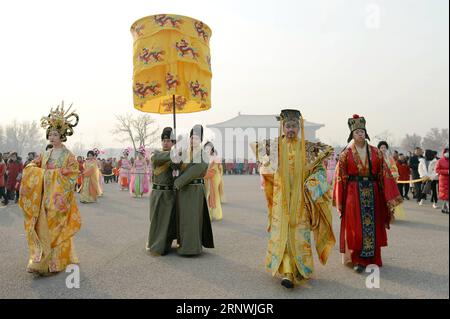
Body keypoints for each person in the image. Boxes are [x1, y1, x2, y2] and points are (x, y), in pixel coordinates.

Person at [263, 109, 335, 289]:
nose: (291, 129)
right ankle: (287, 271)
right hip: (282, 199)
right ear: (282, 127)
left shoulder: (309, 149)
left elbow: (319, 171)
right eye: (287, 126)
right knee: (284, 235)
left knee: (298, 234)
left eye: (294, 126)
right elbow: (266, 171)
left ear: (300, 127)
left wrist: (311, 183)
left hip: (301, 200)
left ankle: (299, 269)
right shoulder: (274, 148)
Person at [333, 114, 403, 273]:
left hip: (372, 192)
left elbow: (384, 173)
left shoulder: (376, 152)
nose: (360, 134)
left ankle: (373, 258)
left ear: (366, 133)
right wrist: (340, 200)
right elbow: (340, 177)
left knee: (373, 224)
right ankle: (358, 259)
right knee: (356, 227)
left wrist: (389, 195)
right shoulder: (345, 154)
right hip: (353, 192)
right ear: (352, 134)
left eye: (362, 131)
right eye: (357, 132)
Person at [18, 102, 81, 275]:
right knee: (41, 227)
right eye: (50, 134)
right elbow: (32, 165)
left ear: (62, 136)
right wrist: (33, 170)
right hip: (44, 196)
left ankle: (56, 261)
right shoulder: (45, 154)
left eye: (55, 134)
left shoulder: (69, 156)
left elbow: (73, 174)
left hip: (59, 199)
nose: (52, 137)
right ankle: (40, 261)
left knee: (56, 229)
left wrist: (54, 175)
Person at [172, 124, 214, 256]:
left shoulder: (204, 154)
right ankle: (183, 244)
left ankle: (192, 248)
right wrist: (175, 161)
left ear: (201, 140)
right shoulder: (185, 152)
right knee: (184, 219)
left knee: (192, 219)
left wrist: (179, 181)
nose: (193, 140)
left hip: (195, 190)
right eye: (191, 138)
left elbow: (196, 171)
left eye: (196, 138)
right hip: (184, 191)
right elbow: (178, 167)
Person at [147, 127, 177, 255]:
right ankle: (154, 245)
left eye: (168, 140)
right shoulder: (156, 153)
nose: (165, 142)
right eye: (164, 140)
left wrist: (176, 162)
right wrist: (173, 155)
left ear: (173, 142)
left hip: (168, 193)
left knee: (167, 221)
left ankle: (164, 245)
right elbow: (155, 159)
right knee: (155, 220)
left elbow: (178, 169)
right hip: (156, 192)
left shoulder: (175, 155)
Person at [203, 141, 224, 221]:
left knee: (213, 195)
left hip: (214, 178)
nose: (207, 150)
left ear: (212, 149)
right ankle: (210, 214)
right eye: (206, 148)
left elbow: (214, 170)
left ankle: (215, 214)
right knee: (209, 196)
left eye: (209, 148)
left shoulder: (215, 158)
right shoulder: (204, 158)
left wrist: (203, 175)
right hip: (207, 178)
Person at [435, 147, 449, 214]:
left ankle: (444, 209)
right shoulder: (440, 161)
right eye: (447, 152)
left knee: (447, 196)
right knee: (446, 196)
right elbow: (437, 170)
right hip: (443, 180)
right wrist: (447, 172)